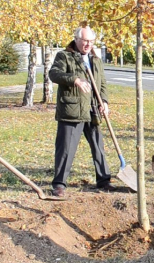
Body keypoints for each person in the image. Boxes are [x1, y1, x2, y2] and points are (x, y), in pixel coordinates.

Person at [49, 25, 114, 197]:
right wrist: (75, 79)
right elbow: (54, 74)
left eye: (91, 41)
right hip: (72, 109)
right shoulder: (65, 56)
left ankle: (104, 180)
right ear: (76, 39)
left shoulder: (96, 59)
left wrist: (104, 101)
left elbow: (102, 84)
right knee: (66, 148)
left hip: (92, 109)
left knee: (98, 146)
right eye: (85, 41)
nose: (88, 44)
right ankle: (59, 184)